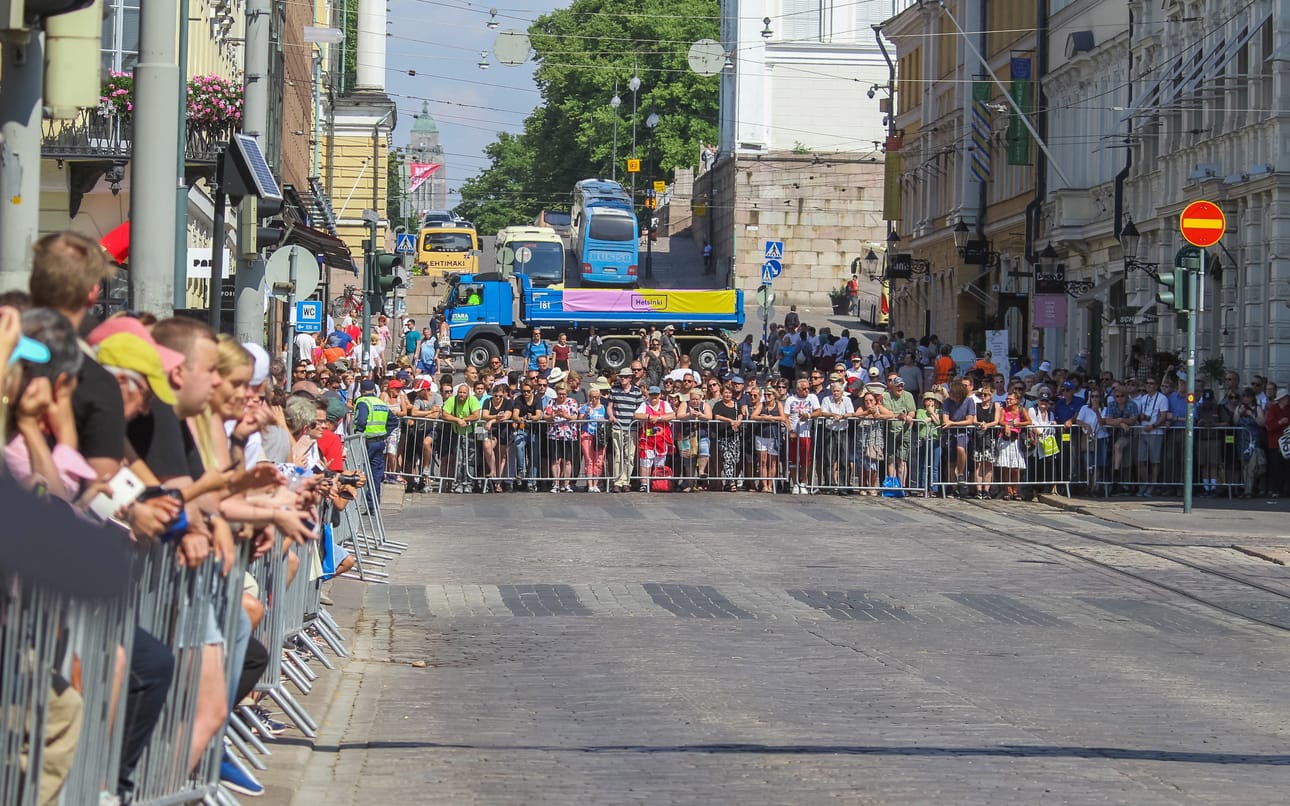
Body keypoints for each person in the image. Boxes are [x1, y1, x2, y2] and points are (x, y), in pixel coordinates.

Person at [352, 379, 395, 504]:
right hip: (379, 442)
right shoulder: (380, 403)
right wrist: (384, 433)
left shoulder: (362, 401)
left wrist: (358, 433)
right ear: (374, 390)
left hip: (366, 441)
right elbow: (393, 421)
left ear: (361, 390)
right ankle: (373, 504)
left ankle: (355, 503)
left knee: (358, 470)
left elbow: (361, 421)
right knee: (376, 474)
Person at [784, 377, 820, 494]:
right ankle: (795, 483)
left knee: (805, 461)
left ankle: (803, 482)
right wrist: (790, 431)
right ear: (798, 389)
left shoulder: (812, 397)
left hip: (806, 433)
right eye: (804, 389)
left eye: (808, 388)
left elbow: (818, 411)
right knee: (793, 460)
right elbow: (785, 416)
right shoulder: (790, 399)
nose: (806, 391)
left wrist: (808, 415)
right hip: (794, 433)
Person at [580, 383, 609, 492]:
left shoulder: (603, 408)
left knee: (599, 460)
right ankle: (589, 484)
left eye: (596, 397)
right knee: (589, 459)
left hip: (599, 436)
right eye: (592, 397)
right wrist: (586, 413)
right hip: (587, 434)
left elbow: (608, 420)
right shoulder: (585, 407)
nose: (594, 399)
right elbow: (580, 421)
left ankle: (596, 483)